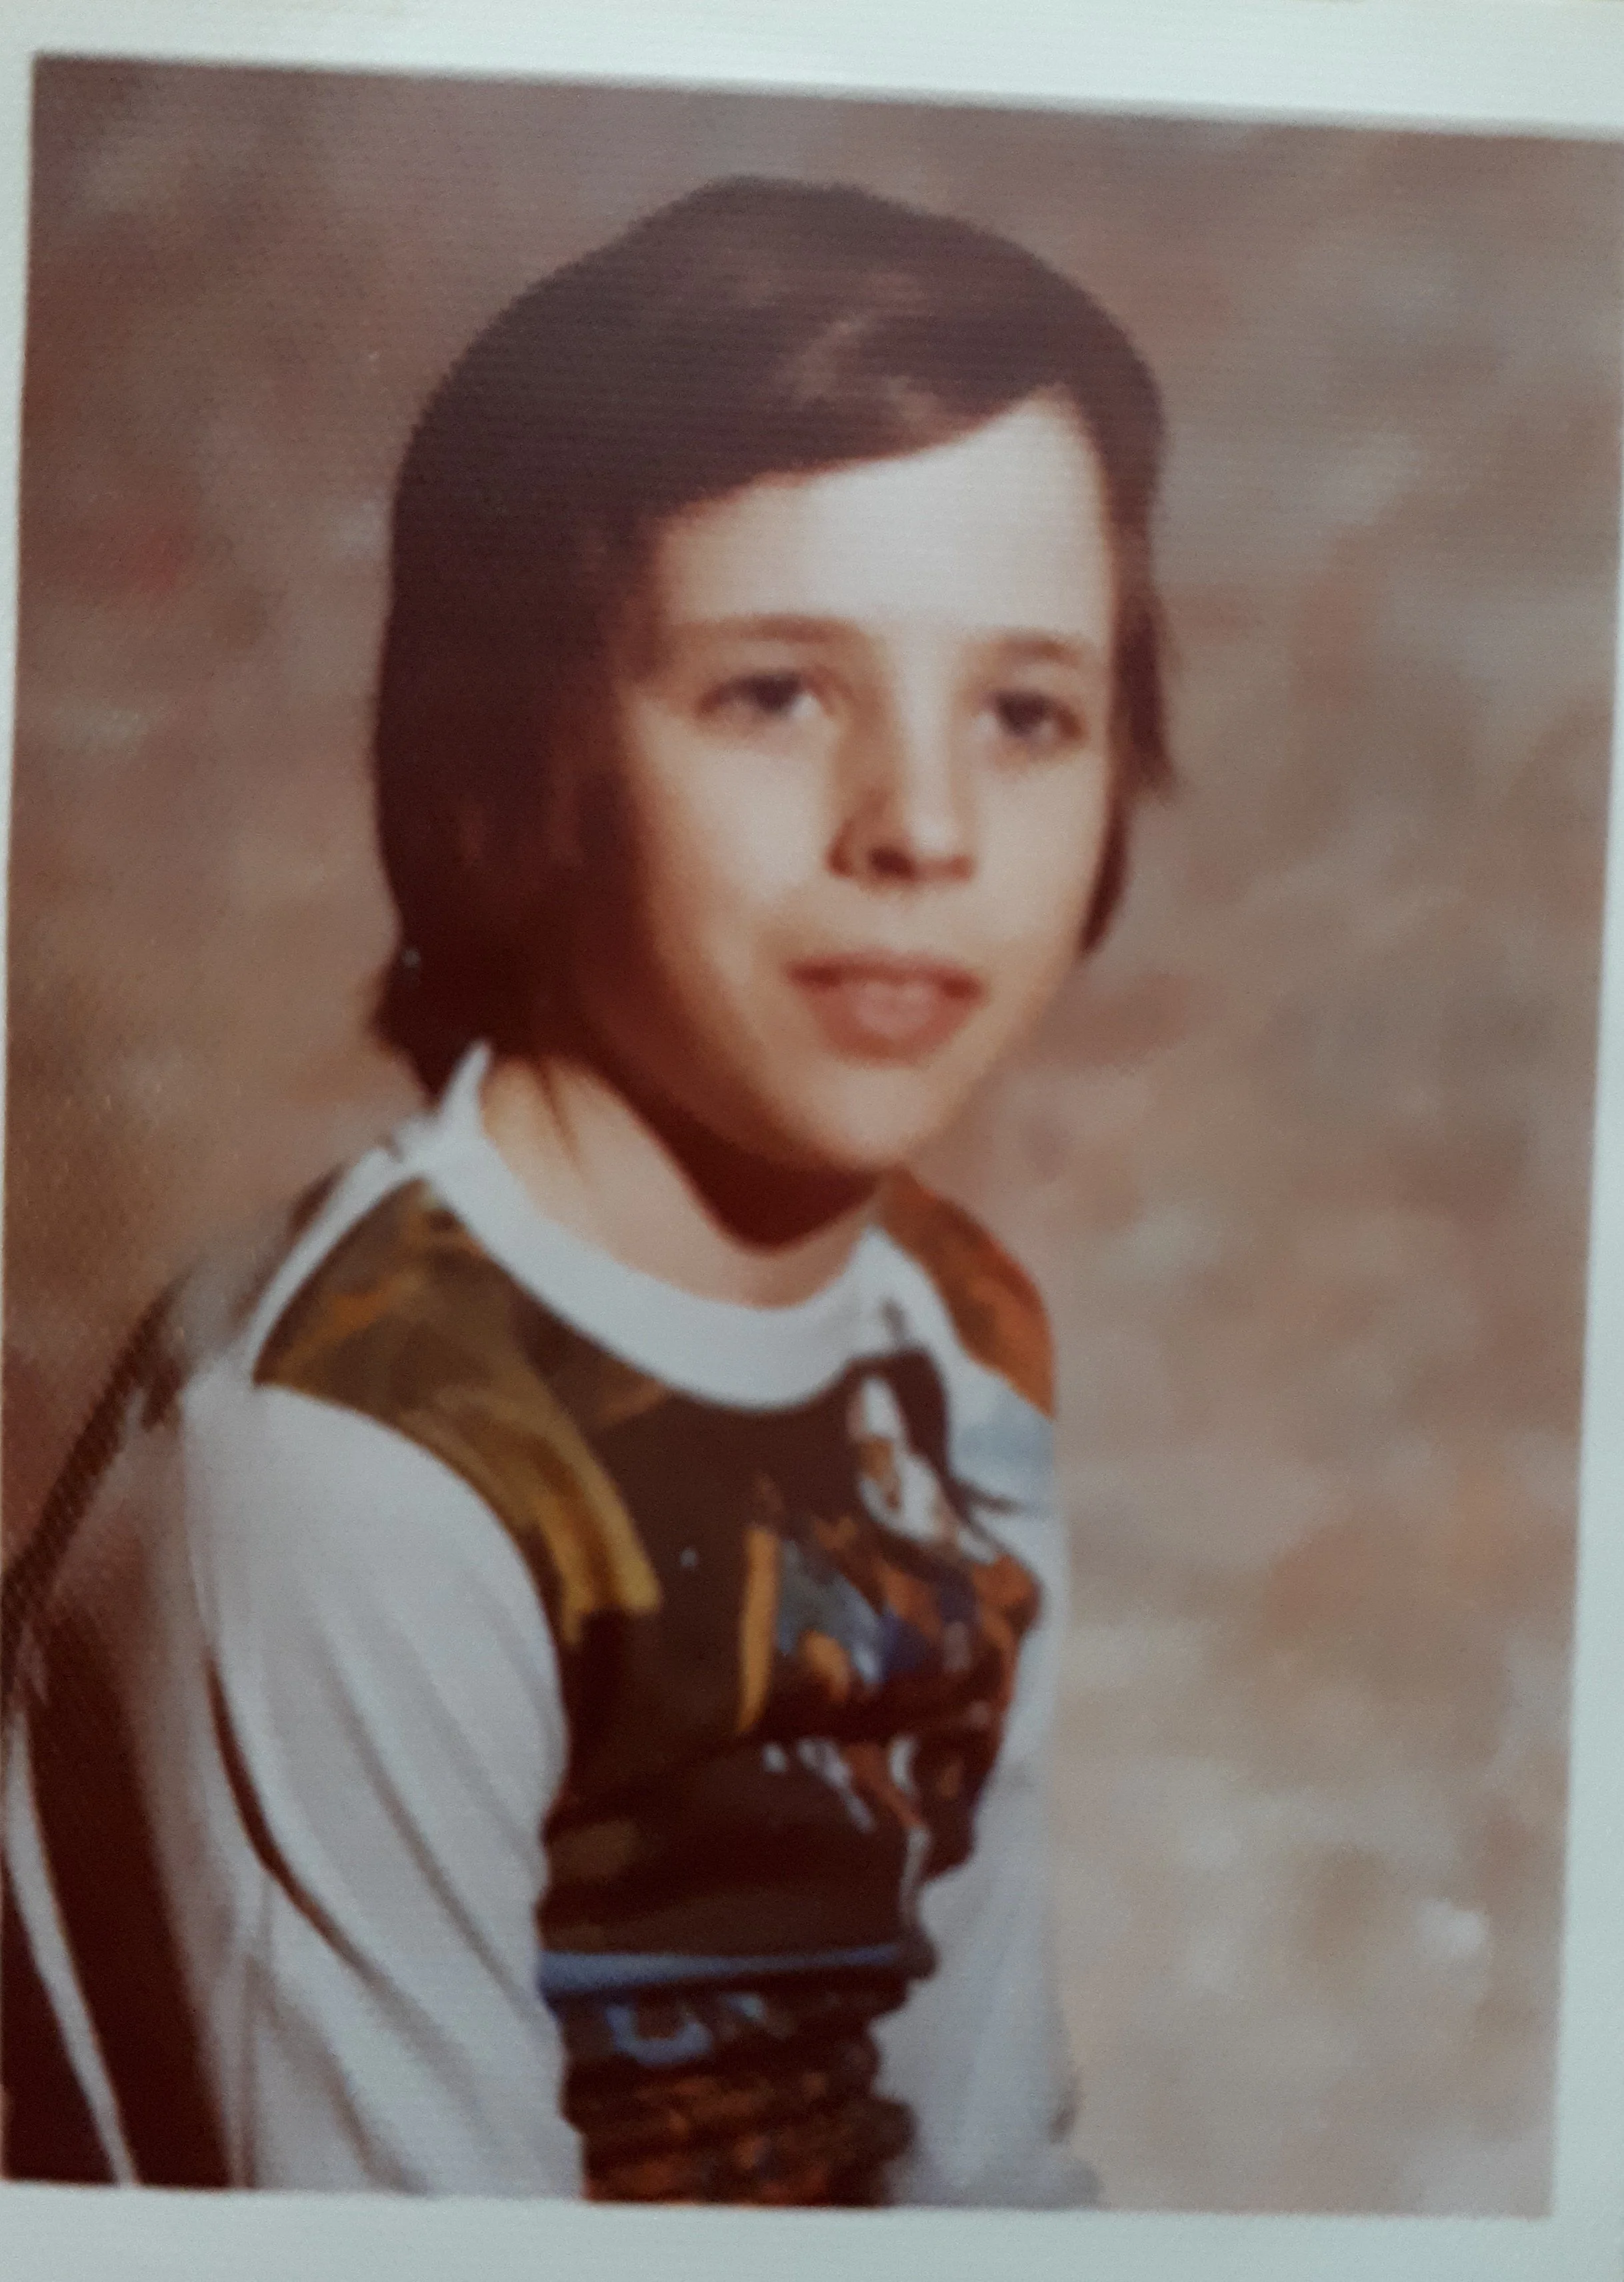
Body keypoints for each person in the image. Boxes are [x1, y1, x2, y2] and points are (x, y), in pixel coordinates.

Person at [1, 176, 1170, 2205]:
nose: (923, 822)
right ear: (508, 755)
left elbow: (984, 2152)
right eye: (774, 689)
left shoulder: (954, 1330)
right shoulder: (348, 1456)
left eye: (1024, 709)